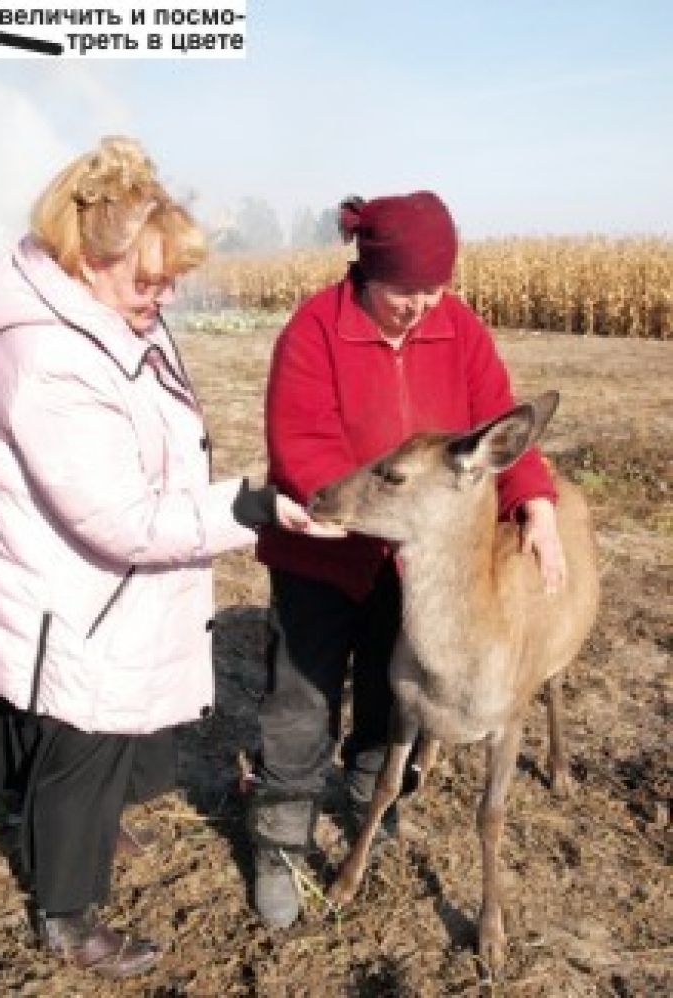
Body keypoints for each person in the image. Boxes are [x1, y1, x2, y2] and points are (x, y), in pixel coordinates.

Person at [0, 136, 336, 979]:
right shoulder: (48, 358)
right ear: (87, 261)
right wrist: (250, 506)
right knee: (80, 741)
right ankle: (67, 915)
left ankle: (83, 828)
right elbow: (120, 520)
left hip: (92, 588)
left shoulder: (102, 318)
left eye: (171, 279)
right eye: (149, 280)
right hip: (73, 596)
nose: (166, 297)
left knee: (101, 734)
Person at [249, 190, 567, 929]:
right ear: (367, 271)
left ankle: (372, 803)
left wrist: (537, 501)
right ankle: (281, 841)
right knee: (301, 700)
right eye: (405, 292)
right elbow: (303, 447)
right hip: (323, 550)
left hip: (415, 562)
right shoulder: (315, 330)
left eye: (435, 289)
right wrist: (366, 512)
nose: (422, 306)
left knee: (389, 694)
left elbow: (499, 427)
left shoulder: (459, 329)